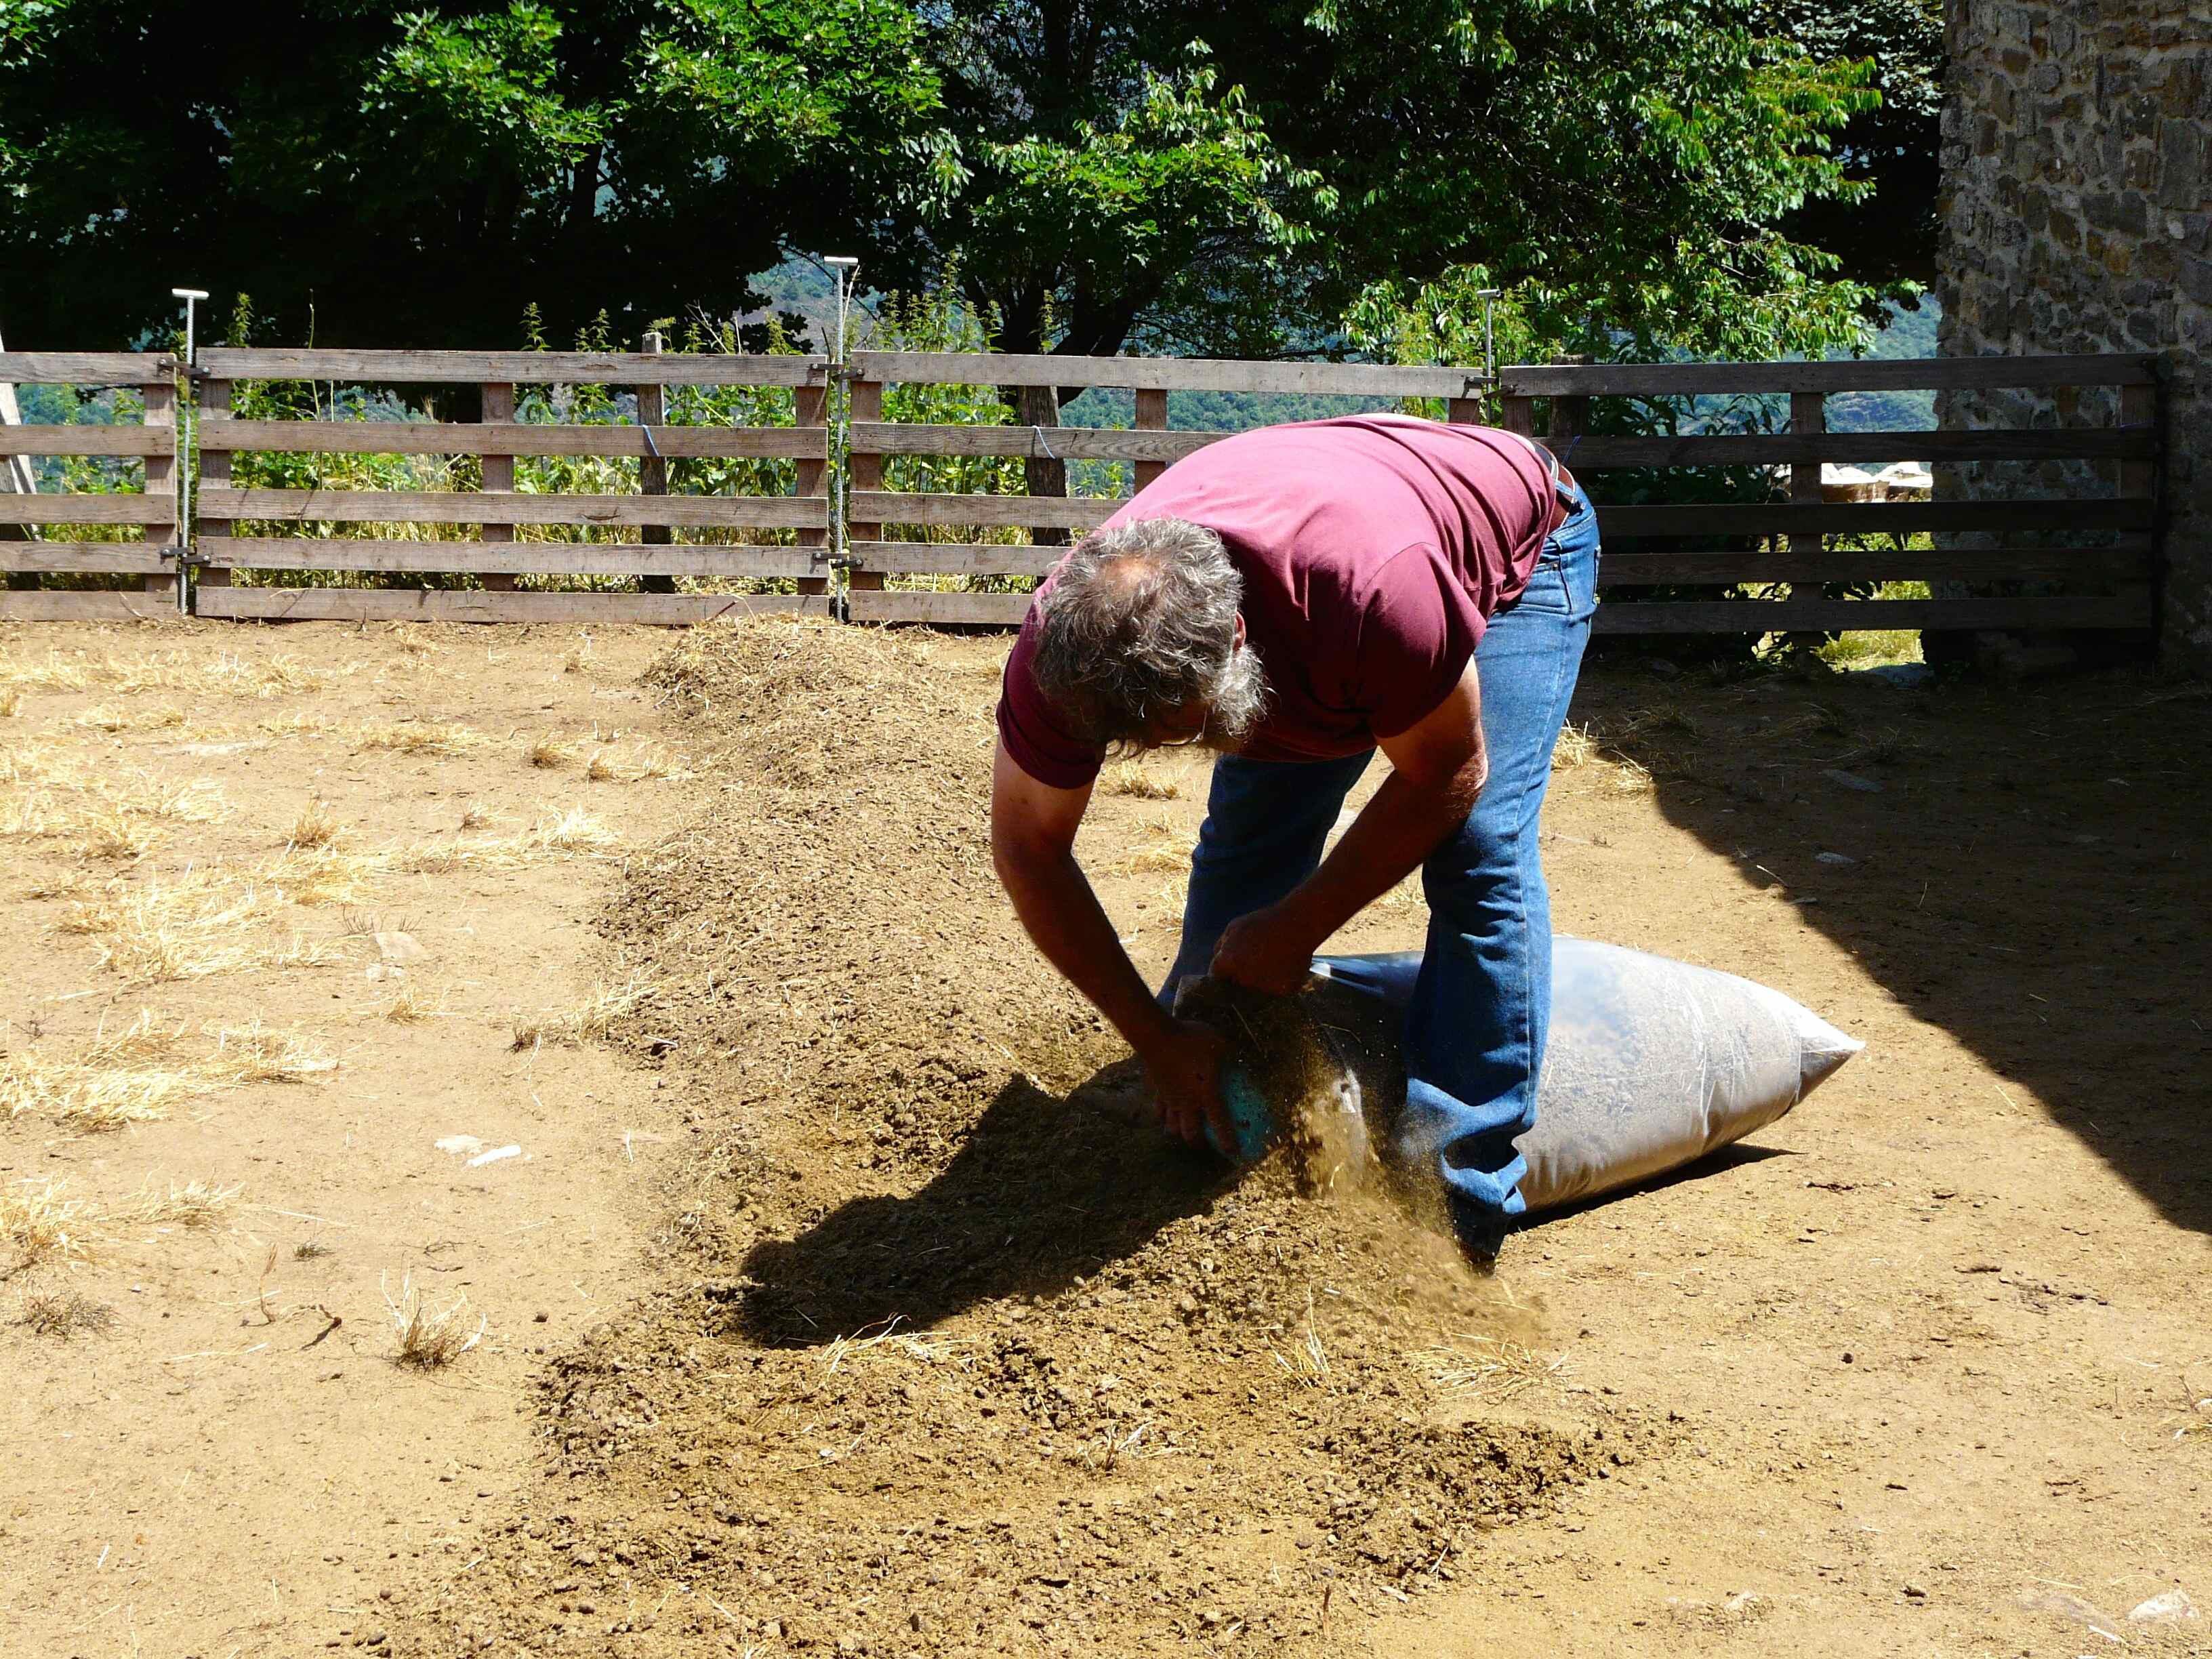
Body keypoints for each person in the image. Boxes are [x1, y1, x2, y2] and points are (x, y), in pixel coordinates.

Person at [989, 413, 1599, 1264]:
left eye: (1182, 726)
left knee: (1478, 853)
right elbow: (1029, 848)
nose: (1168, 752)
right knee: (1252, 835)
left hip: (1513, 542)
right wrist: (1156, 1040)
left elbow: (1449, 774)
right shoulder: (1068, 649)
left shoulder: (1378, 595)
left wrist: (1297, 928)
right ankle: (1222, 1109)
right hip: (1323, 594)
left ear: (1239, 645)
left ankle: (1458, 1191)